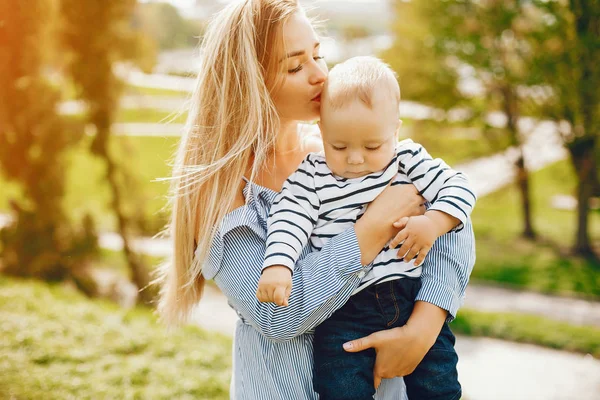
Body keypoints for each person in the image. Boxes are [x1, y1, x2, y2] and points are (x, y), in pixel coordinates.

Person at [155, 1, 474, 399]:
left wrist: (423, 329)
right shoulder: (222, 191)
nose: (321, 75)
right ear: (248, 82)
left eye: (318, 55)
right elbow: (276, 314)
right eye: (295, 67)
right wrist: (370, 230)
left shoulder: (345, 151)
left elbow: (453, 223)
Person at [257, 56, 476, 400]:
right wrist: (279, 265)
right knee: (340, 386)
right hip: (343, 308)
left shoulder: (408, 159)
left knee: (439, 384)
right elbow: (289, 217)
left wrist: (434, 222)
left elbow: (459, 188)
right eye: (339, 146)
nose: (355, 158)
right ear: (322, 132)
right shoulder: (312, 175)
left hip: (408, 294)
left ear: (395, 131)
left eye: (372, 146)